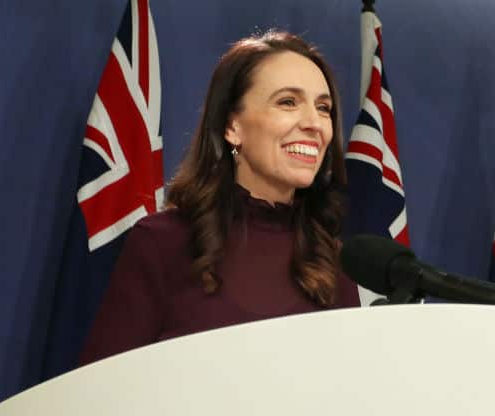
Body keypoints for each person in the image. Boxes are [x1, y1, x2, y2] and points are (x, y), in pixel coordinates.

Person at [79, 30, 358, 365]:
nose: (315, 123)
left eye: (324, 107)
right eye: (288, 102)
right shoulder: (162, 243)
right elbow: (99, 393)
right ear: (232, 126)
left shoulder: (334, 262)